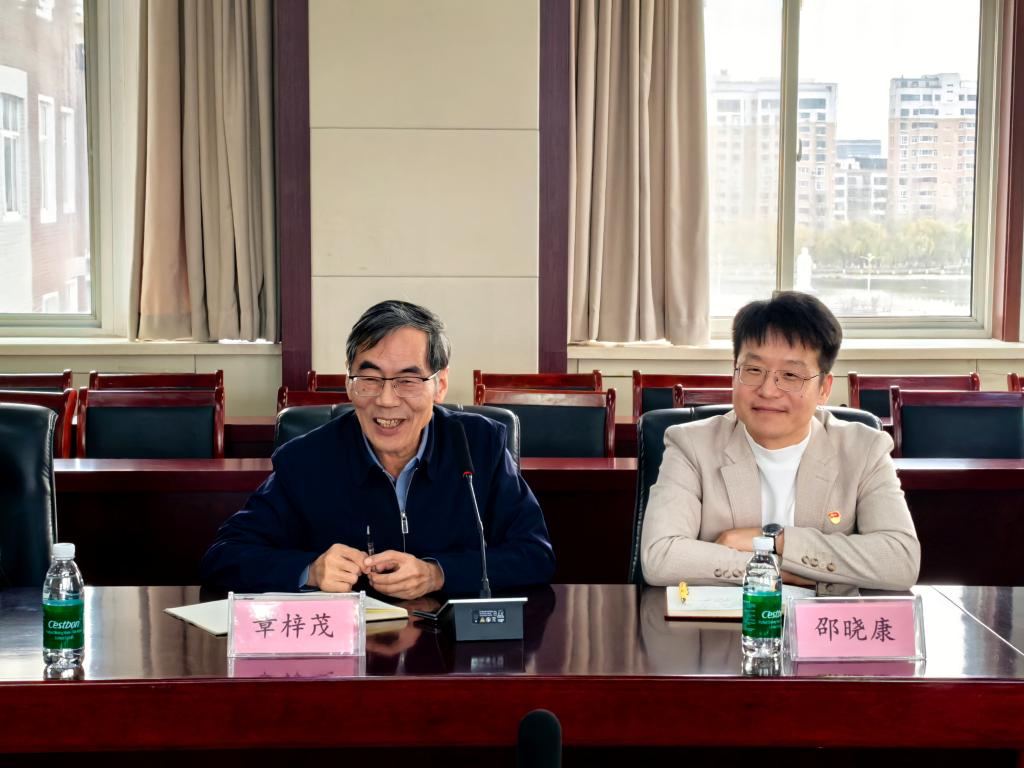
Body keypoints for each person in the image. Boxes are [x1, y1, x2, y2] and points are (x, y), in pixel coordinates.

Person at [201, 300, 555, 598]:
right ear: (349, 382)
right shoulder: (307, 459)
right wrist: (310, 570)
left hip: (452, 647)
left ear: (440, 384)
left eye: (407, 380)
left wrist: (437, 574)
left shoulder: (480, 445)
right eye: (369, 379)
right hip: (348, 650)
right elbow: (224, 556)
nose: (386, 400)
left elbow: (535, 554)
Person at [640, 291, 920, 592]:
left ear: (824, 388)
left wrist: (776, 540)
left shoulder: (864, 449)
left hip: (824, 621)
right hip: (724, 620)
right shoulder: (691, 445)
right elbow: (660, 557)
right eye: (753, 370)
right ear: (734, 373)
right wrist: (776, 570)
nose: (768, 390)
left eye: (790, 375)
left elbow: (900, 560)